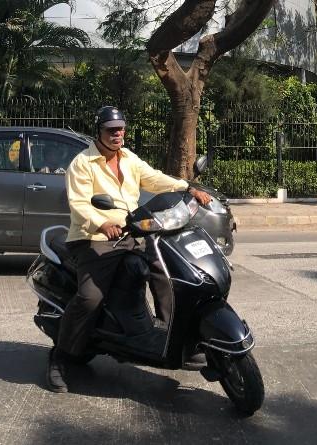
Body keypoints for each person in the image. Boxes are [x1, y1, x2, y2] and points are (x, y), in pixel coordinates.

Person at [47, 106, 211, 392]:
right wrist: (102, 224)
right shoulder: (82, 164)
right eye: (111, 130)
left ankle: (176, 337)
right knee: (89, 297)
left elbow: (155, 178)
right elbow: (79, 205)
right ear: (99, 131)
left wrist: (187, 187)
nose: (118, 134)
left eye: (121, 128)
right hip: (91, 238)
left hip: (130, 233)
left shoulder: (129, 158)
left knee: (166, 271)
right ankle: (60, 357)